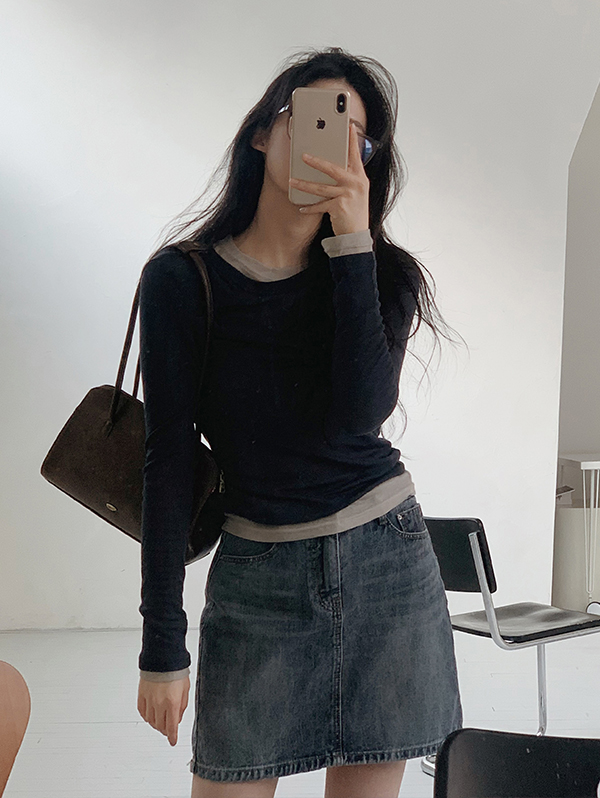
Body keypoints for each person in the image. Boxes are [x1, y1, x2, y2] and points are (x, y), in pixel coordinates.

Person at [136, 46, 466, 798]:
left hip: (387, 567)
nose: (334, 143)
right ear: (263, 132)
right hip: (258, 579)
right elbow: (168, 459)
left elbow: (360, 414)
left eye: (357, 138)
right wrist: (162, 643)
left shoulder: (381, 274)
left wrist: (352, 244)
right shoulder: (182, 279)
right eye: (316, 118)